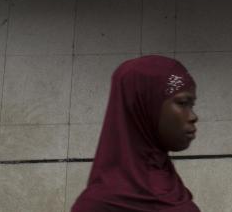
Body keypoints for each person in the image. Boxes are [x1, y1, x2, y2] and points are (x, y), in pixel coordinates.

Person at [72, 55, 200, 211]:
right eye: (182, 103)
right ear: (144, 106)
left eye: (191, 105)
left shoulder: (169, 184)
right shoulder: (101, 204)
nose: (193, 117)